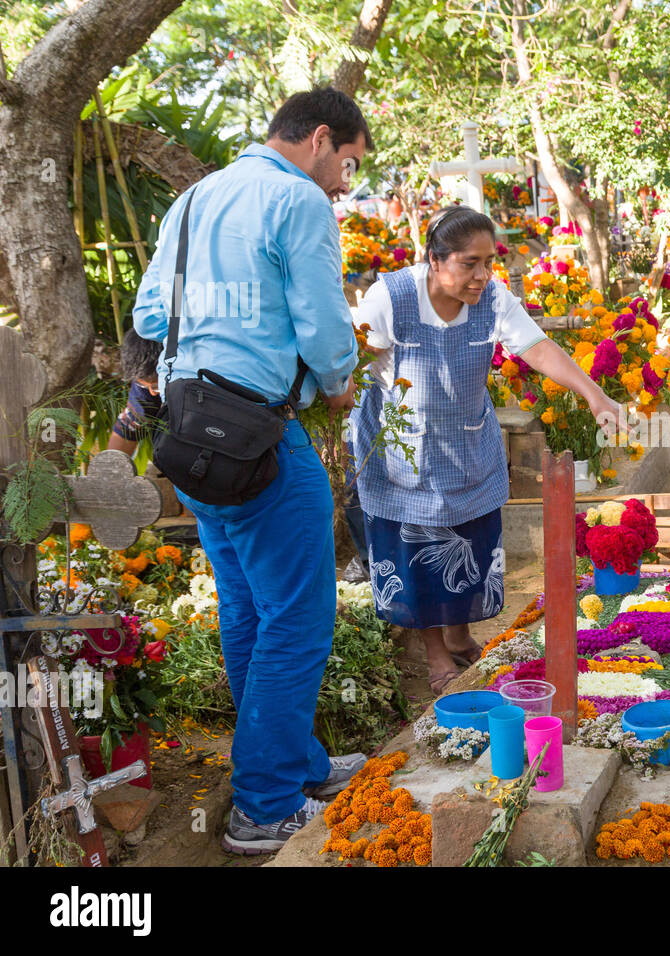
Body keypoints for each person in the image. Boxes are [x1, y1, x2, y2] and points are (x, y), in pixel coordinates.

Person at [134, 87, 371, 854]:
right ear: (321, 139)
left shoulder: (195, 199)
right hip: (262, 438)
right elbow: (326, 325)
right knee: (299, 620)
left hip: (193, 436)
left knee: (247, 610)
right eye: (349, 164)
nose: (345, 182)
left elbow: (147, 315)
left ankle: (293, 763)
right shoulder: (296, 201)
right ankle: (264, 806)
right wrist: (339, 377)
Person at [350, 205, 620, 694]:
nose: (482, 275)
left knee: (468, 542)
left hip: (466, 444)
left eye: (489, 262)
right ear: (435, 260)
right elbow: (351, 360)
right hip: (403, 452)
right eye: (468, 263)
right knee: (418, 552)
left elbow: (536, 347)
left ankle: (459, 632)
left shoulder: (490, 297)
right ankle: (435, 652)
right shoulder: (390, 299)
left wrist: (592, 392)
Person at [106, 328, 164, 457]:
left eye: (157, 387)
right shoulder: (145, 388)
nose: (153, 393)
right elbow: (128, 429)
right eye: (144, 386)